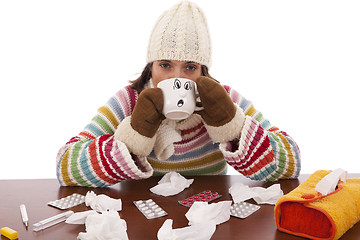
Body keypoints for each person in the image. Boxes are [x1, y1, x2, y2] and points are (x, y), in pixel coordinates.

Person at [56, 0, 301, 187]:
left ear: (203, 71)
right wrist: (132, 138)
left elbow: (292, 163)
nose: (177, 78)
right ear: (150, 65)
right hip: (139, 221)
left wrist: (233, 126)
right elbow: (64, 166)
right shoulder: (129, 100)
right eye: (165, 65)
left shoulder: (222, 99)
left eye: (190, 67)